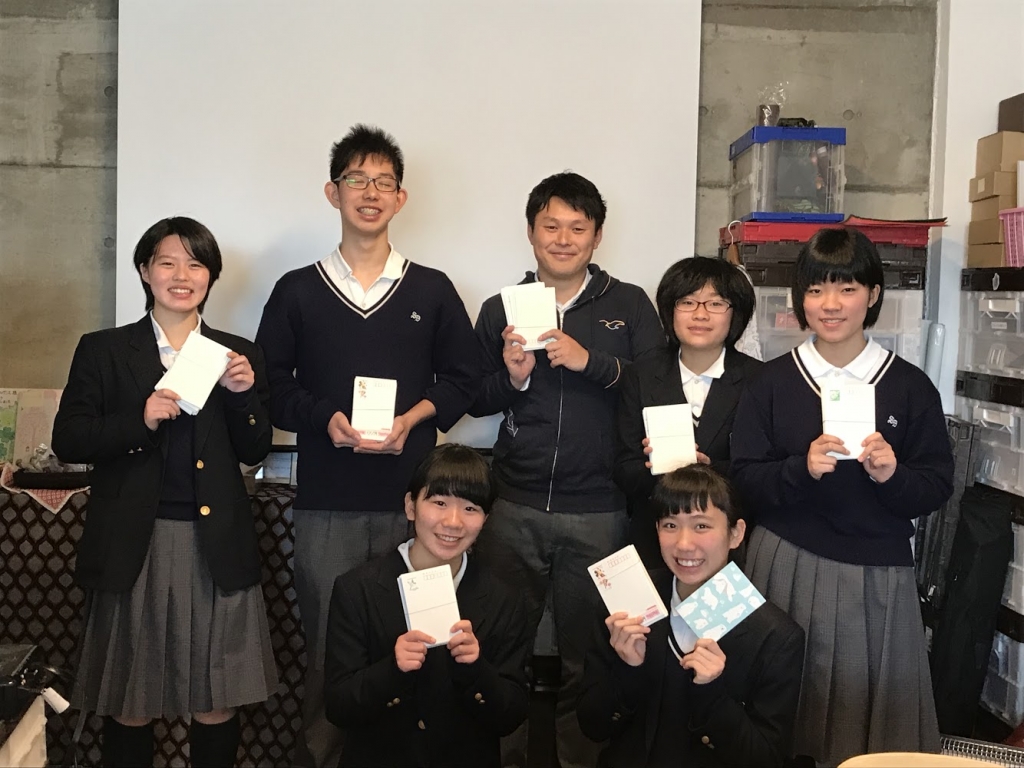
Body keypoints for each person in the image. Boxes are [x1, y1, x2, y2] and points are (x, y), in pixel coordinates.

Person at [255, 124, 480, 768]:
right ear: (334, 192)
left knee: (421, 643)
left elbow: (465, 379)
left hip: (417, 509)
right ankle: (324, 758)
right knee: (331, 650)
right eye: (357, 179)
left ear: (401, 198)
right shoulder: (298, 289)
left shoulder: (431, 288)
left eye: (384, 182)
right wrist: (323, 418)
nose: (371, 193)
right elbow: (270, 384)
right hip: (325, 503)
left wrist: (413, 418)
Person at [52, 217, 278, 768]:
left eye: (196, 264)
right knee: (131, 699)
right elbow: (69, 438)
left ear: (211, 276)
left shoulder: (237, 354)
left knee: (216, 698)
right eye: (168, 262)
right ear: (144, 271)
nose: (182, 276)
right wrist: (141, 418)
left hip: (215, 542)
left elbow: (255, 449)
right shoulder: (104, 349)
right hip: (135, 542)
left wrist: (243, 395)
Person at [730, 227, 954, 766]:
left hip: (878, 574)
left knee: (870, 725)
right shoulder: (771, 383)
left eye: (847, 289)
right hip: (785, 561)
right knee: (782, 712)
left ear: (873, 295)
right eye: (815, 290)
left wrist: (892, 475)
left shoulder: (909, 386)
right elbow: (743, 480)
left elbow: (936, 485)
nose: (830, 304)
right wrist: (799, 469)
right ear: (800, 299)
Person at [469, 171, 664, 768]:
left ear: (597, 236)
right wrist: (513, 378)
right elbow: (472, 397)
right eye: (550, 226)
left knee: (591, 655)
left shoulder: (629, 304)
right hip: (513, 505)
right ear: (531, 233)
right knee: (501, 648)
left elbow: (657, 386)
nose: (562, 238)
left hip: (600, 510)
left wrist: (592, 362)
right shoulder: (501, 307)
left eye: (577, 228)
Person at [577, 464, 805, 767]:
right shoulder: (626, 606)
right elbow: (592, 727)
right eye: (670, 525)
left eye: (701, 526)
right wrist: (627, 669)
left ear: (736, 533)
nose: (684, 544)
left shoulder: (775, 636)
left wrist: (712, 692)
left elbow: (765, 758)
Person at [323, 443, 530, 767]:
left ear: (486, 519)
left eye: (470, 508)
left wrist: (477, 670)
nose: (453, 522)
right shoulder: (358, 589)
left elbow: (511, 716)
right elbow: (338, 707)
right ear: (411, 506)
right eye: (439, 502)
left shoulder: (505, 599)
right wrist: (392, 669)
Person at [614, 256, 761, 567]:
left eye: (716, 303)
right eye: (687, 302)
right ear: (670, 310)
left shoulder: (759, 380)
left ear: (736, 313)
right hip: (655, 538)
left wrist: (709, 469)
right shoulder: (640, 375)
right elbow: (624, 469)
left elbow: (763, 472)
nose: (700, 314)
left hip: (729, 546)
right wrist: (652, 466)